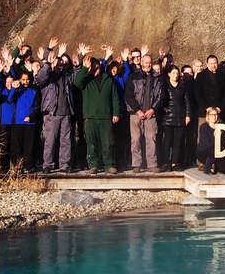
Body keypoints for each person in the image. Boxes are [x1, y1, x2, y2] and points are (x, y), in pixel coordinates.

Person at [73, 46, 122, 174]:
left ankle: (109, 165)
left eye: (97, 66)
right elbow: (77, 82)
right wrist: (84, 68)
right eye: (92, 67)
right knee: (91, 143)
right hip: (91, 117)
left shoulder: (108, 80)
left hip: (106, 117)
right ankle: (93, 165)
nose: (95, 69)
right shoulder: (86, 80)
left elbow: (115, 98)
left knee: (107, 143)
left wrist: (116, 113)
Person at [36, 40, 77, 173]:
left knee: (66, 141)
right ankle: (47, 164)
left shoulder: (67, 77)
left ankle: (65, 165)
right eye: (58, 64)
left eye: (62, 65)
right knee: (50, 141)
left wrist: (79, 60)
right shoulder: (47, 78)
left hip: (65, 112)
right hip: (51, 113)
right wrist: (48, 57)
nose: (60, 67)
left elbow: (77, 74)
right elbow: (40, 77)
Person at [124, 51, 163, 172]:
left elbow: (161, 96)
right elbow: (128, 96)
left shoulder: (158, 78)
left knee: (151, 139)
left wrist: (153, 109)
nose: (148, 65)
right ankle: (136, 164)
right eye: (146, 62)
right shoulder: (133, 77)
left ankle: (152, 164)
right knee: (135, 139)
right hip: (136, 114)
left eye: (150, 63)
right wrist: (137, 110)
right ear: (141, 63)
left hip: (151, 114)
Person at [158, 64, 192, 171]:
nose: (175, 75)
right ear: (169, 74)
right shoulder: (165, 86)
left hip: (180, 117)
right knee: (167, 140)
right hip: (168, 117)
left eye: (177, 73)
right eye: (173, 73)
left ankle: (174, 162)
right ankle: (166, 163)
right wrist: (163, 108)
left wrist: (187, 115)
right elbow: (161, 99)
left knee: (178, 141)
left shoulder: (183, 85)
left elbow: (187, 102)